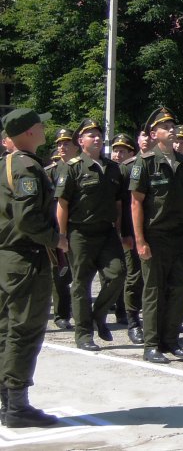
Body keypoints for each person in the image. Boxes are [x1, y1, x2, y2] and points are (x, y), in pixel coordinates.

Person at [0, 108, 65, 428]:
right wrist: (56, 239)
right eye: (39, 124)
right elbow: (27, 219)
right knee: (25, 329)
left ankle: (6, 400)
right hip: (25, 258)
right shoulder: (26, 166)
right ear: (27, 132)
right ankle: (17, 405)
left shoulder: (7, 164)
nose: (44, 128)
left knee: (6, 329)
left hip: (8, 258)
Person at [129, 107, 183, 364]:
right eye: (165, 127)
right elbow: (136, 204)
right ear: (154, 133)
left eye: (172, 126)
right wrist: (140, 240)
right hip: (155, 236)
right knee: (154, 291)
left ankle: (171, 340)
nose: (171, 130)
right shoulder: (145, 162)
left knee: (180, 288)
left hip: (179, 235)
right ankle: (151, 344)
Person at [53, 118, 126, 351]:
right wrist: (62, 236)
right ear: (80, 141)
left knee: (118, 274)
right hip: (80, 233)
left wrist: (120, 231)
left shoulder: (112, 168)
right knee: (81, 284)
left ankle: (98, 316)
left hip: (106, 232)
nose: (96, 138)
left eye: (98, 134)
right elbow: (62, 204)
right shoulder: (72, 167)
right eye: (90, 134)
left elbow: (118, 205)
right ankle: (83, 334)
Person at [113, 132, 144, 343]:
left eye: (122, 150)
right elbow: (122, 205)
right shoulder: (126, 169)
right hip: (130, 232)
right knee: (132, 275)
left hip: (151, 231)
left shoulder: (152, 164)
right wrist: (124, 232)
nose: (117, 154)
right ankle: (130, 318)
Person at [45, 127, 75, 331]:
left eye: (66, 143)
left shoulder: (78, 167)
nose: (62, 147)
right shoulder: (50, 173)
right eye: (59, 144)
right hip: (57, 228)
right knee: (60, 273)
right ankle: (62, 314)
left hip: (79, 226)